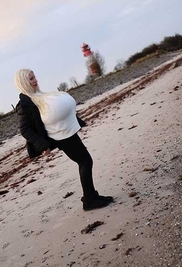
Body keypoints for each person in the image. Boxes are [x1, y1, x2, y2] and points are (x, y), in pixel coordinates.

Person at [14, 69, 113, 211]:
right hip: (59, 136)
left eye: (34, 77)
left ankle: (92, 197)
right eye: (30, 79)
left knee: (85, 161)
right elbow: (25, 129)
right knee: (85, 162)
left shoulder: (38, 95)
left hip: (66, 132)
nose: (35, 80)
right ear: (23, 82)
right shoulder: (24, 104)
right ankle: (89, 200)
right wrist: (43, 145)